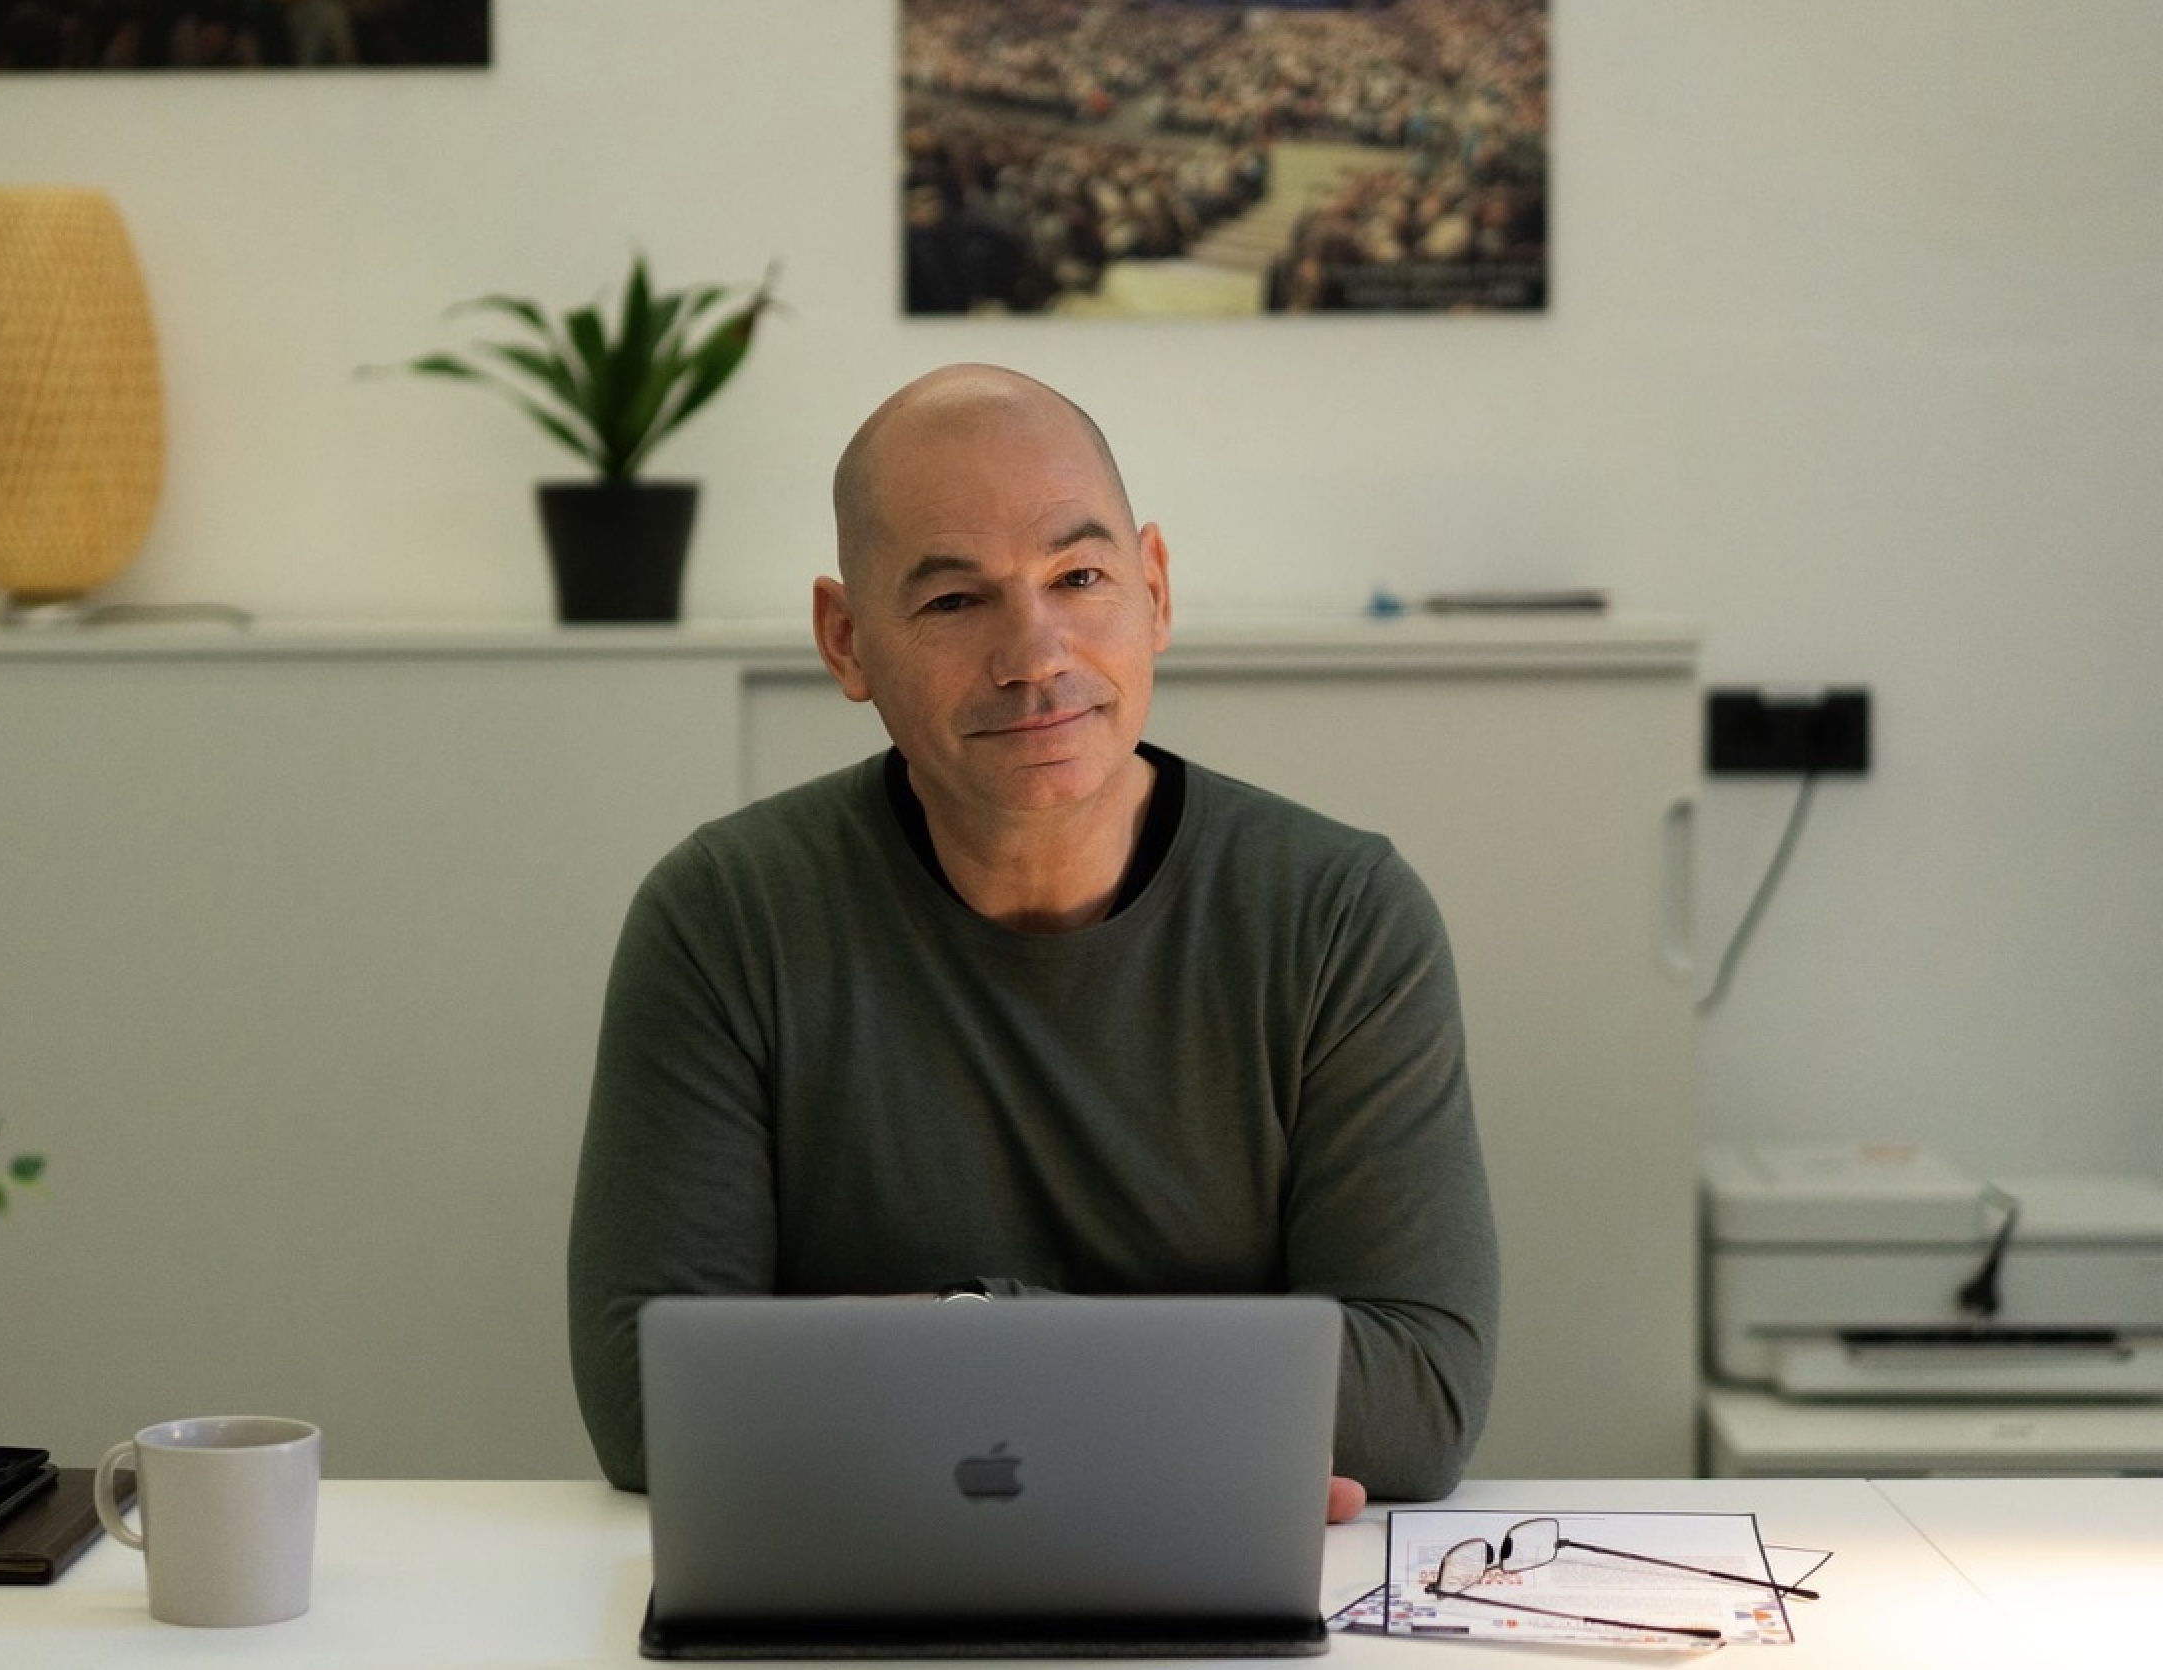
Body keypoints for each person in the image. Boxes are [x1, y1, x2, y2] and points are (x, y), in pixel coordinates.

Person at [566, 364, 1497, 1519]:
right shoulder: (724, 916)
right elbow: (650, 1395)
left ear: (1154, 590)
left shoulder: (1339, 915)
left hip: (1211, 1575)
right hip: (870, 1569)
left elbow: (1416, 1396)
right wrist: (1206, 1395)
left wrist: (963, 1331)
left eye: (1079, 577)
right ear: (846, 641)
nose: (1035, 654)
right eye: (955, 601)